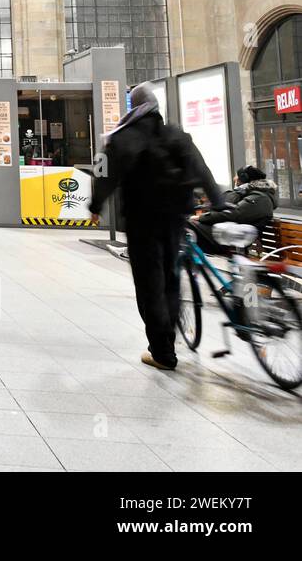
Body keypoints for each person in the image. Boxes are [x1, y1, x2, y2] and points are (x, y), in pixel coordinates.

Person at [89, 81, 224, 371]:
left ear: (133, 106)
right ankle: (168, 339)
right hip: (174, 217)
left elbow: (105, 176)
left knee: (150, 284)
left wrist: (95, 207)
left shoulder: (124, 137)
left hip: (142, 221)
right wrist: (218, 201)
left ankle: (162, 351)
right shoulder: (175, 135)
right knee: (170, 278)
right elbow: (201, 168)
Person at [188, 165, 278, 253]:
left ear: (244, 178)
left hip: (230, 240)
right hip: (224, 233)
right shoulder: (246, 193)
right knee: (185, 225)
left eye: (237, 176)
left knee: (187, 226)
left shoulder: (260, 198)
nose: (234, 178)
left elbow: (234, 214)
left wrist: (202, 218)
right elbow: (224, 208)